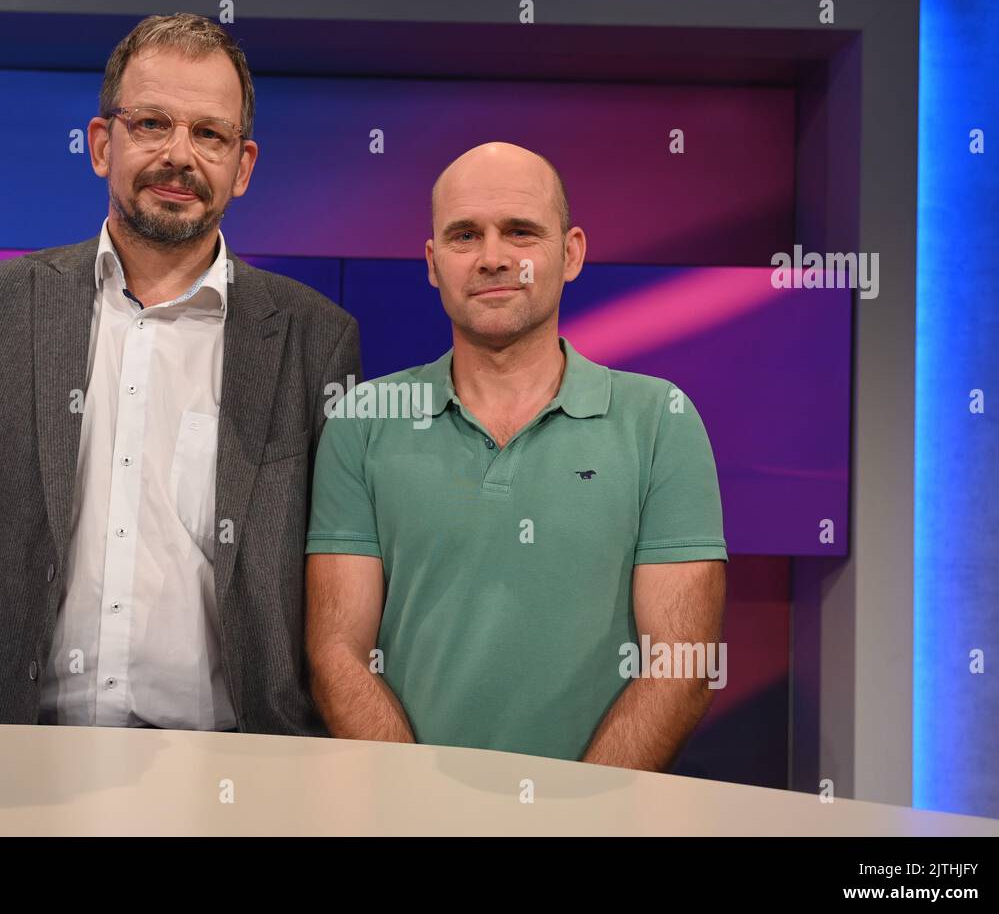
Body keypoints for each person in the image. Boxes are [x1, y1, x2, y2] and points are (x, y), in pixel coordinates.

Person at [0, 13, 361, 733]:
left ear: (243, 165)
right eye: (151, 123)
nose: (179, 155)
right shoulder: (2, 308)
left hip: (236, 772)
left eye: (209, 133)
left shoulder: (315, 339)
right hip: (16, 754)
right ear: (102, 144)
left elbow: (337, 597)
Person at [305, 142, 726, 767]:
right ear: (432, 261)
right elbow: (336, 655)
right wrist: (418, 810)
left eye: (521, 232)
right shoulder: (362, 421)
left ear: (572, 252)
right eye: (464, 235)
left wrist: (577, 819)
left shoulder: (660, 421)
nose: (493, 257)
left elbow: (682, 665)